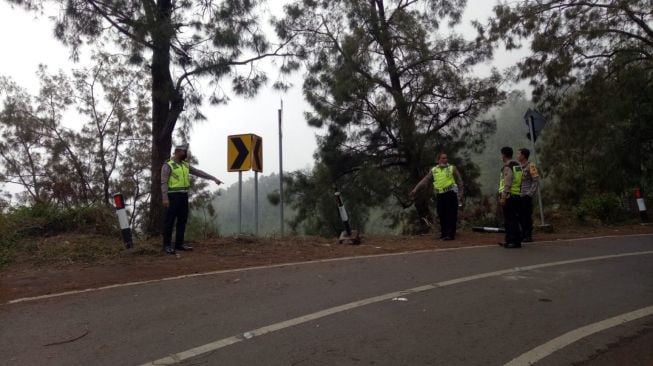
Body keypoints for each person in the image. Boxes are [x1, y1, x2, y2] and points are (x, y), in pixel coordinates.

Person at [161, 144, 223, 255]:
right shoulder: (168, 165)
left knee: (182, 220)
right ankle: (166, 245)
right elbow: (164, 182)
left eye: (186, 152)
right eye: (183, 152)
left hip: (183, 196)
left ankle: (179, 244)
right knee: (169, 221)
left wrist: (213, 178)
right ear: (177, 152)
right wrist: (165, 198)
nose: (185, 154)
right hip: (172, 196)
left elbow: (199, 172)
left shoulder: (185, 165)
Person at [411, 153, 464, 240]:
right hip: (440, 195)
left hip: (451, 193)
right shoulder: (434, 170)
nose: (445, 160)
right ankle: (444, 234)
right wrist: (415, 189)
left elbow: (459, 180)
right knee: (441, 214)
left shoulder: (452, 168)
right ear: (438, 160)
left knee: (451, 214)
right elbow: (425, 180)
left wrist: (461, 193)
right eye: (443, 158)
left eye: (446, 158)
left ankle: (450, 235)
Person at [498, 146, 523, 248]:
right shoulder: (517, 166)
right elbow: (521, 180)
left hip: (509, 196)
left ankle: (511, 241)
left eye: (501, 154)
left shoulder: (507, 167)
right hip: (517, 194)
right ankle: (516, 241)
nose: (501, 157)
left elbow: (507, 182)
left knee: (509, 220)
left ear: (504, 155)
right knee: (515, 219)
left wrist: (504, 196)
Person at [517, 148, 540, 242]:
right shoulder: (518, 167)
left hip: (526, 195)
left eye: (518, 154)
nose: (517, 156)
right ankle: (522, 234)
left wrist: (530, 194)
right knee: (520, 216)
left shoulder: (531, 165)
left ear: (523, 155)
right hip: (519, 195)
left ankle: (528, 235)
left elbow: (536, 180)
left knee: (527, 216)